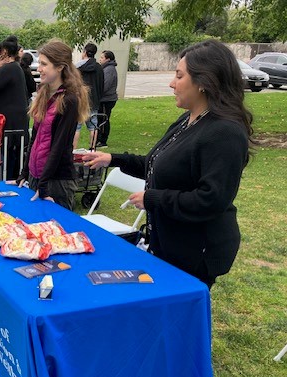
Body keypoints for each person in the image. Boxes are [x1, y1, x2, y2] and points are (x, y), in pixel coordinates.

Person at [83, 40, 252, 288]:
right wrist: (113, 159)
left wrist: (153, 198)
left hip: (196, 251)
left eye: (179, 76)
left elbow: (212, 199)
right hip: (168, 242)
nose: (172, 83)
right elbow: (159, 165)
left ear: (204, 82)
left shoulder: (224, 133)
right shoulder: (189, 119)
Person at [16, 41, 90, 210]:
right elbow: (35, 139)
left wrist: (43, 184)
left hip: (56, 181)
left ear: (60, 67)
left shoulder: (69, 100)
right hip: (38, 177)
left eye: (44, 64)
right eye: (39, 63)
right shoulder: (44, 92)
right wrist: (25, 173)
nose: (39, 68)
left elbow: (59, 145)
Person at [0, 35, 29, 181]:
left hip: (10, 119)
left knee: (9, 151)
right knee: (12, 151)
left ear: (4, 51)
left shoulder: (9, 68)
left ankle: (7, 178)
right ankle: (8, 175)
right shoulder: (15, 67)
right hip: (16, 117)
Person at [73, 43, 104, 150]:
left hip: (81, 100)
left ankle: (73, 149)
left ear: (85, 52)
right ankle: (92, 148)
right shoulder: (99, 68)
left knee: (76, 127)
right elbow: (101, 84)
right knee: (93, 126)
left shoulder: (78, 67)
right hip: (94, 100)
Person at [96, 50, 118, 148]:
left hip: (107, 99)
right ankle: (99, 139)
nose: (100, 60)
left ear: (108, 59)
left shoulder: (109, 69)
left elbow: (105, 86)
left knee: (104, 119)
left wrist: (97, 92)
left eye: (102, 58)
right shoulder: (105, 69)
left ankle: (103, 141)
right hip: (104, 99)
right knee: (100, 119)